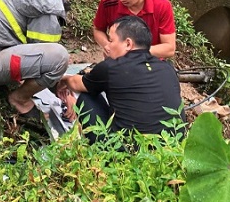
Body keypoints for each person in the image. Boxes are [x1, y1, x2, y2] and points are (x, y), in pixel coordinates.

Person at [57, 16, 184, 144]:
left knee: (87, 95)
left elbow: (75, 83)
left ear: (128, 44)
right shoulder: (167, 68)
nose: (107, 46)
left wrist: (64, 80)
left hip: (126, 150)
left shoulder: (111, 67)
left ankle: (100, 149)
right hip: (171, 146)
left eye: (111, 41)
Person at [93, 0, 176, 59]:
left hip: (149, 62)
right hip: (117, 61)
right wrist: (108, 46)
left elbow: (169, 48)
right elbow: (98, 29)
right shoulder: (108, 2)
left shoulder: (161, 6)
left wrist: (133, 51)